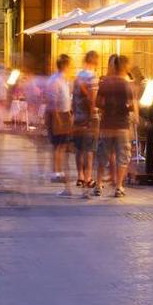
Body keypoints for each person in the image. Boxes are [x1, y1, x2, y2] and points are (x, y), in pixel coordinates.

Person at [96, 55, 136, 198]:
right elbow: (131, 105)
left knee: (102, 155)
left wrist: (107, 107)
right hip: (122, 125)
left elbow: (97, 102)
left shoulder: (105, 82)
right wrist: (127, 108)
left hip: (106, 124)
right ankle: (119, 187)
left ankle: (98, 184)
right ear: (124, 67)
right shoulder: (126, 84)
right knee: (123, 157)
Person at [71, 51, 100, 197]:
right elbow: (92, 100)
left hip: (77, 117)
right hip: (89, 118)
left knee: (78, 148)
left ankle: (80, 176)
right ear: (95, 61)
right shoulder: (93, 77)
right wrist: (91, 117)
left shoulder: (77, 76)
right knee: (89, 149)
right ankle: (88, 177)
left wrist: (74, 113)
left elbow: (72, 98)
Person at [47, 54, 74, 197]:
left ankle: (60, 171)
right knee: (58, 145)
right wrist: (57, 118)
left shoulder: (64, 80)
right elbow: (53, 100)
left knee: (63, 145)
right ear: (64, 65)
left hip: (65, 114)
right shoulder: (55, 80)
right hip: (58, 115)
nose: (70, 68)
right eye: (69, 65)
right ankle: (57, 171)